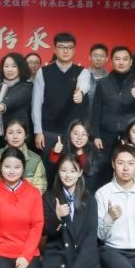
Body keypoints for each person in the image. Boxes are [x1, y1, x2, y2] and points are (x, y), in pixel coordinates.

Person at [32, 32, 91, 182]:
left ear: (74, 50)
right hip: (49, 132)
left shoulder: (82, 72)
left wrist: (80, 92)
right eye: (61, 47)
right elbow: (36, 103)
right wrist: (38, 131)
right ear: (55, 49)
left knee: (73, 173)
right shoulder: (43, 72)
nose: (65, 50)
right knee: (49, 171)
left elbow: (84, 83)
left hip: (74, 135)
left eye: (69, 47)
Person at [90, 45, 135, 169]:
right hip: (106, 136)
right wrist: (96, 136)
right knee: (104, 170)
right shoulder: (103, 83)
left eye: (125, 59)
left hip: (130, 136)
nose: (121, 62)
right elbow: (96, 111)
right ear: (111, 61)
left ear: (131, 62)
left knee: (128, 169)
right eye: (117, 59)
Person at [0, 119, 46, 193]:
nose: (15, 136)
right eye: (10, 133)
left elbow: (39, 188)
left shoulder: (35, 159)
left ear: (25, 135)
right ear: (5, 136)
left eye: (19, 132)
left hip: (25, 200)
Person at [0, 52, 33, 153]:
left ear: (20, 68)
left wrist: (1, 107)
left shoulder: (27, 86)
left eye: (14, 66)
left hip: (14, 137)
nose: (9, 69)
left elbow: (16, 99)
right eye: (6, 66)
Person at [48, 120, 107, 198]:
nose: (79, 138)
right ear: (69, 134)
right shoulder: (61, 152)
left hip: (87, 198)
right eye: (76, 133)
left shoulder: (96, 157)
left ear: (88, 136)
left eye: (84, 134)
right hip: (62, 197)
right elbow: (51, 176)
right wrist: (55, 154)